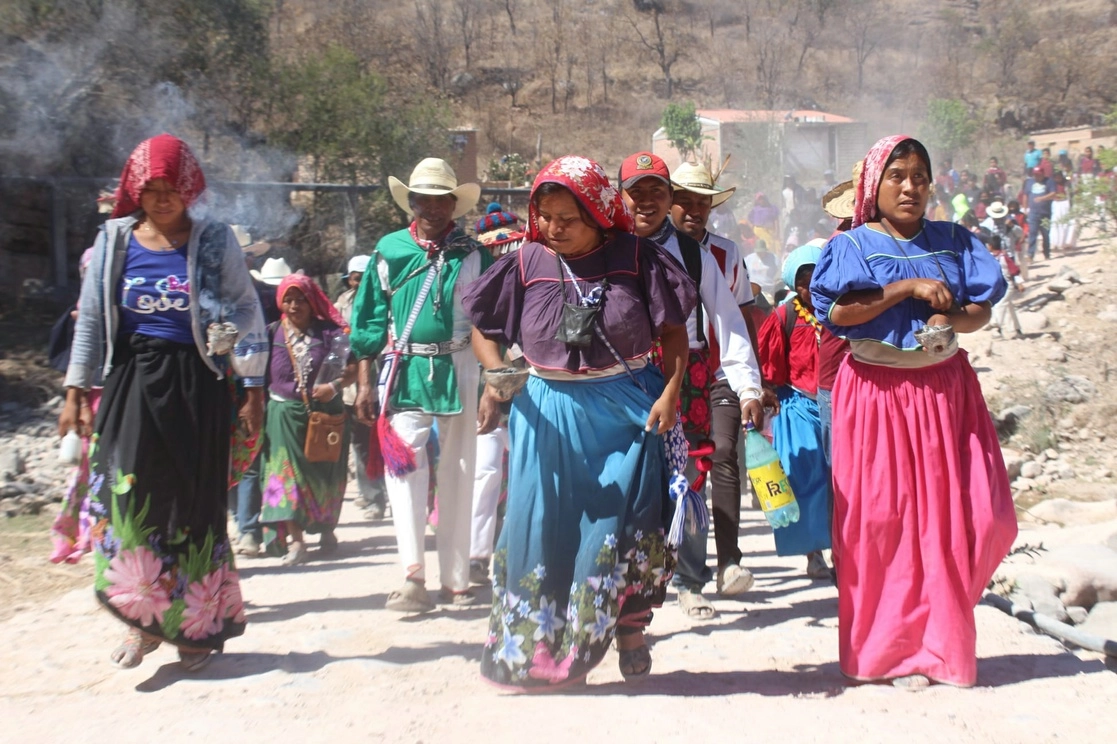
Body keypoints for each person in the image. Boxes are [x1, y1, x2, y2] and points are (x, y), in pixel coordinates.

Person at [463, 155, 695, 689]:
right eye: (544, 216)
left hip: (623, 412)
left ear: (596, 211)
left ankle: (627, 627)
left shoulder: (636, 257)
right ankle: (538, 651)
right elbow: (483, 330)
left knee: (619, 526)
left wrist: (671, 392)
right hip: (545, 412)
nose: (553, 228)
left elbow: (674, 334)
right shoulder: (525, 261)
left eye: (568, 216)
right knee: (541, 526)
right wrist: (497, 372)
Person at [810, 134, 1017, 689]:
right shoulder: (850, 246)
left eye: (919, 176)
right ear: (873, 186)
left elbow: (979, 310)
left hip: (946, 391)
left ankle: (943, 637)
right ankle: (888, 653)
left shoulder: (953, 240)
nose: (910, 187)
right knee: (881, 525)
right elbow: (841, 313)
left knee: (977, 517)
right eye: (897, 176)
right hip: (877, 394)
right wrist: (904, 288)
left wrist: (954, 323)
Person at [58, 134, 267, 671]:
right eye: (150, 188)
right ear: (136, 190)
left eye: (171, 187)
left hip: (197, 385)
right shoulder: (113, 242)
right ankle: (140, 626)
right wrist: (75, 391)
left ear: (189, 187)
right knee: (130, 502)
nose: (161, 198)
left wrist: (237, 354)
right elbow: (89, 326)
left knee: (193, 507)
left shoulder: (215, 241)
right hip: (130, 383)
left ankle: (193, 629)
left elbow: (247, 309)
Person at [621, 152, 764, 621]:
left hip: (691, 370)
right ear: (621, 197)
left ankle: (689, 580)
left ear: (668, 198)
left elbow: (730, 319)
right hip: (624, 371)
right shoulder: (611, 246)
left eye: (655, 192)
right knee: (630, 474)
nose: (646, 202)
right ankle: (629, 578)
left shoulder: (695, 255)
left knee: (691, 476)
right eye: (635, 193)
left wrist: (748, 387)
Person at [350, 157, 491, 613]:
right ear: (410, 202)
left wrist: (493, 384)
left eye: (440, 199)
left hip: (462, 366)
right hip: (407, 370)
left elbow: (491, 321)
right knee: (404, 468)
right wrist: (367, 380)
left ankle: (456, 578)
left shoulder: (473, 253)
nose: (431, 207)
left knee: (461, 470)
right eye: (422, 199)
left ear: (454, 203)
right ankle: (412, 574)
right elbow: (369, 316)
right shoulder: (388, 250)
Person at [669, 160, 762, 599]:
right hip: (675, 371)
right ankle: (685, 569)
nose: (693, 210)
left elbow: (740, 314)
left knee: (724, 452)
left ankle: (729, 562)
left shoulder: (727, 252)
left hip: (722, 366)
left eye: (701, 203)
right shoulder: (653, 252)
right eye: (683, 201)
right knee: (682, 465)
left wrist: (754, 383)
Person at [259, 274, 356, 564]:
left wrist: (334, 387)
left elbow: (351, 369)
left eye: (299, 299)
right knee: (286, 475)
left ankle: (326, 528)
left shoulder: (331, 334)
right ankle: (297, 542)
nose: (293, 305)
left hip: (327, 415)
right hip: (283, 415)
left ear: (311, 300)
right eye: (287, 300)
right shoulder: (270, 333)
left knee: (325, 473)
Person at [757, 246, 832, 578]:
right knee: (804, 477)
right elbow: (769, 365)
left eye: (816, 275)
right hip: (798, 405)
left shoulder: (842, 313)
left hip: (838, 405)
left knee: (838, 482)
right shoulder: (785, 316)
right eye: (803, 280)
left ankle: (845, 548)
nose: (810, 285)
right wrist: (768, 391)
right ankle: (814, 552)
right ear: (793, 283)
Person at [468, 203, 526, 585]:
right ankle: (476, 553)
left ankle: (513, 554)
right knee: (486, 471)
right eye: (497, 248)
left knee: (522, 475)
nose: (504, 255)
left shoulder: (533, 276)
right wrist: (491, 385)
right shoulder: (478, 282)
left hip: (529, 389)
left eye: (510, 246)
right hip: (487, 386)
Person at [334, 255, 389, 521]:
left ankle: (385, 493)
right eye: (355, 277)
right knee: (360, 442)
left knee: (382, 439)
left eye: (364, 276)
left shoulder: (386, 299)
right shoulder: (341, 303)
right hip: (351, 384)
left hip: (384, 379)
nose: (359, 282)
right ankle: (372, 495)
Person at [1024, 166, 1055, 260]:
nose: (1037, 177)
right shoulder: (1030, 182)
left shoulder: (1049, 181)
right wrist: (1025, 208)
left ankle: (1046, 253)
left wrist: (1042, 198)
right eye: (1035, 175)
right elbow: (1026, 195)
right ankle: (1030, 254)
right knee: (1032, 233)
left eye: (1039, 175)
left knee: (1045, 234)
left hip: (1045, 213)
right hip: (1033, 212)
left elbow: (1053, 194)